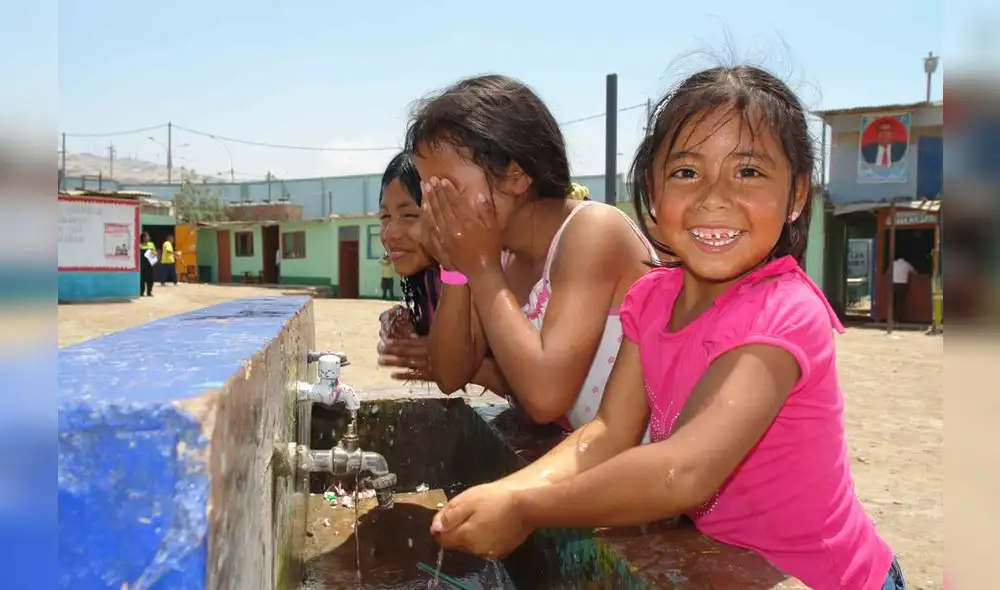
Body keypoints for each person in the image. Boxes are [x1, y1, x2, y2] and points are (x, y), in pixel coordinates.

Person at [428, 66, 904, 590]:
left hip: (832, 579)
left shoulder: (785, 311)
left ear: (795, 196)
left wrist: (524, 507)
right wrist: (504, 493)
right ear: (651, 192)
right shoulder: (652, 298)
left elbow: (682, 471)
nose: (713, 197)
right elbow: (607, 434)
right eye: (685, 172)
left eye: (748, 172)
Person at [407, 74, 655, 430]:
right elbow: (450, 373)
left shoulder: (593, 231)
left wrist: (479, 266)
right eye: (427, 191)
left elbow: (546, 397)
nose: (434, 207)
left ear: (516, 176)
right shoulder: (500, 256)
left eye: (447, 190)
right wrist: (453, 268)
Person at [375, 150, 508, 392]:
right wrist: (412, 328)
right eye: (385, 216)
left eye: (409, 215)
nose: (390, 233)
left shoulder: (483, 272)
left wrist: (438, 358)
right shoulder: (430, 277)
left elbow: (527, 382)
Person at [891, 255, 916, 323]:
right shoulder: (907, 264)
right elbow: (915, 272)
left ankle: (893, 319)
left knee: (893, 302)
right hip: (902, 285)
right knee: (900, 303)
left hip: (893, 284)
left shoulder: (893, 263)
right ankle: (899, 319)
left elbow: (888, 272)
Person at [138, 232, 156, 297]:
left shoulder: (151, 244)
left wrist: (154, 253)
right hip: (142, 264)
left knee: (150, 278)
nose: (147, 238)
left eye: (148, 236)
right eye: (146, 237)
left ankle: (149, 292)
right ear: (143, 238)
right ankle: (141, 292)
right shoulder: (139, 245)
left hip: (150, 264)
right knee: (141, 279)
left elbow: (154, 253)